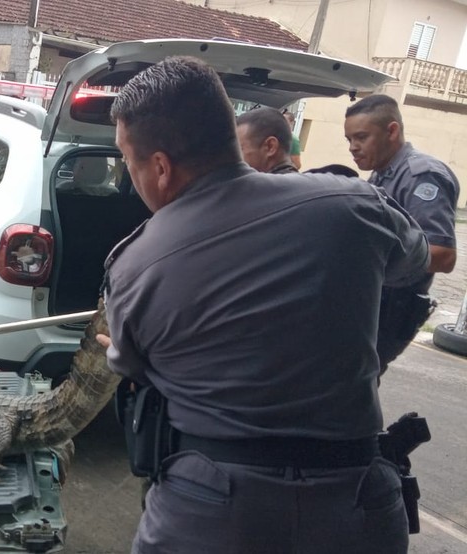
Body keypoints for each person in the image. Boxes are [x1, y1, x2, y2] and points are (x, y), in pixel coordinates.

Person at [100, 56, 427, 554]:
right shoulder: (354, 205)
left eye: (128, 160)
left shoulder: (133, 266)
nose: (131, 172)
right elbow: (417, 263)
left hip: (211, 519)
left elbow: (134, 366)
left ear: (161, 167)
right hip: (357, 510)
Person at [345, 94, 459, 372]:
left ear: (392, 131)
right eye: (349, 140)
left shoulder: (421, 176)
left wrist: (367, 260)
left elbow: (443, 255)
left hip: (391, 308)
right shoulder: (382, 174)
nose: (353, 147)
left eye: (361, 137)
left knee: (351, 387)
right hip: (370, 303)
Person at [235, 106, 298, 174]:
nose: (234, 157)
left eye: (240, 149)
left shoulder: (258, 183)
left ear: (270, 146)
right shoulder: (300, 182)